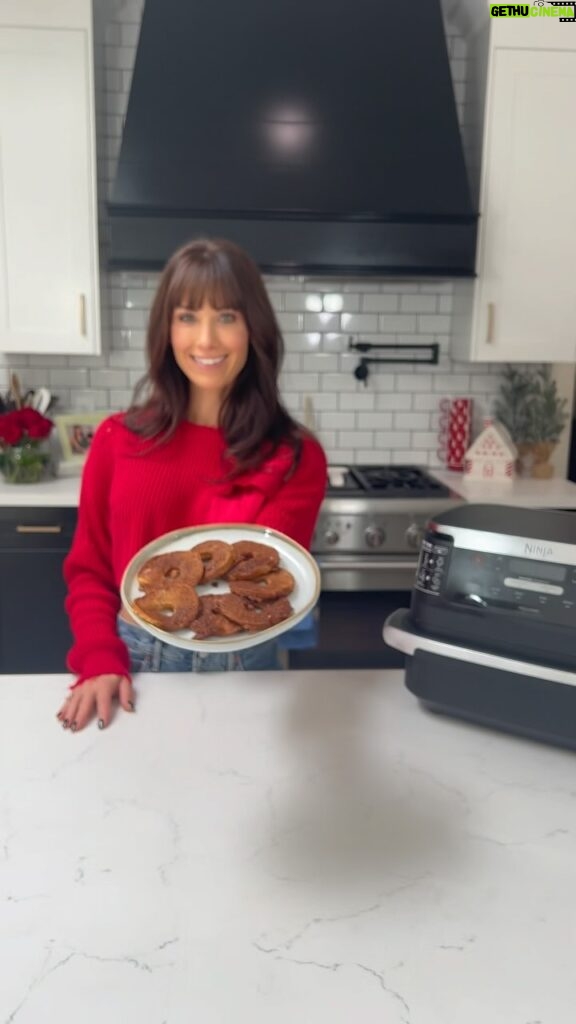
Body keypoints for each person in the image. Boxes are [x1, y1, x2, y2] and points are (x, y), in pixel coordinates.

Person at [57, 238, 327, 733]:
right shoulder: (117, 441)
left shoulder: (294, 457)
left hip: (249, 663)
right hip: (134, 659)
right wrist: (99, 657)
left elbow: (264, 586)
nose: (206, 339)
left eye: (226, 316)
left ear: (254, 329)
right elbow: (90, 568)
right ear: (167, 328)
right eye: (187, 316)